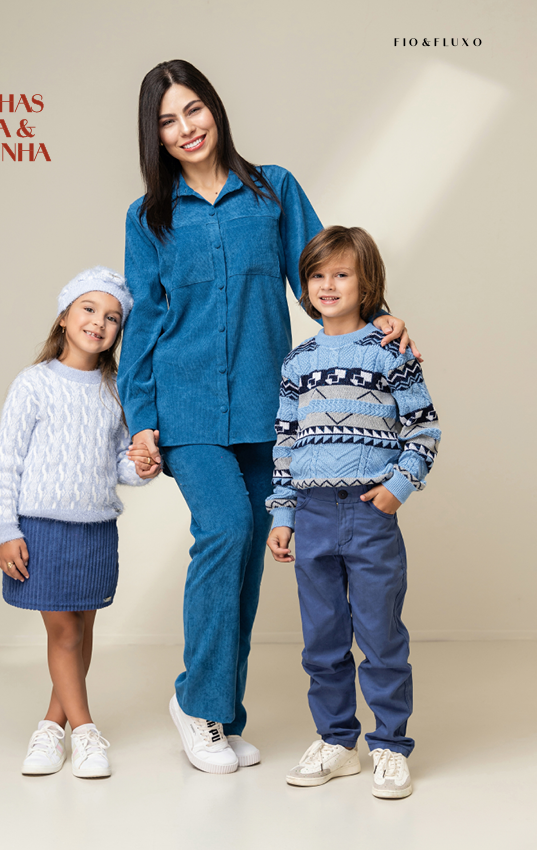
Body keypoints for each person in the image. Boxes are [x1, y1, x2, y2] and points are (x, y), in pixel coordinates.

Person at [119, 59, 416, 775]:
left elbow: (323, 273)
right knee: (225, 528)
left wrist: (379, 319)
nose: (186, 129)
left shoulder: (272, 189)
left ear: (215, 109)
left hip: (270, 407)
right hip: (187, 409)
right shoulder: (148, 217)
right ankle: (196, 702)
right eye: (168, 121)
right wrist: (142, 418)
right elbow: (146, 321)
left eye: (194, 110)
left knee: (251, 551)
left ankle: (221, 717)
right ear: (155, 137)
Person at [266, 226, 440, 798]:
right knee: (322, 639)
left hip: (369, 513)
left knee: (380, 634)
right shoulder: (298, 362)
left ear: (367, 285)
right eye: (317, 275)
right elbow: (285, 443)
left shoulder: (391, 351)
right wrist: (283, 515)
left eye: (341, 274)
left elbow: (424, 428)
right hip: (313, 513)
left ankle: (390, 746)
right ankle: (337, 742)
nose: (328, 285)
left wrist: (398, 487)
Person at [0, 266, 159, 779]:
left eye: (112, 317)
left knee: (81, 632)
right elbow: (6, 462)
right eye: (89, 309)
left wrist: (142, 467)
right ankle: (85, 731)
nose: (98, 322)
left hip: (95, 530)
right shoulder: (33, 383)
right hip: (42, 529)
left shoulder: (115, 389)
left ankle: (51, 724)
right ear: (64, 317)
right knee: (63, 632)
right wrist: (6, 530)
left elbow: (118, 463)